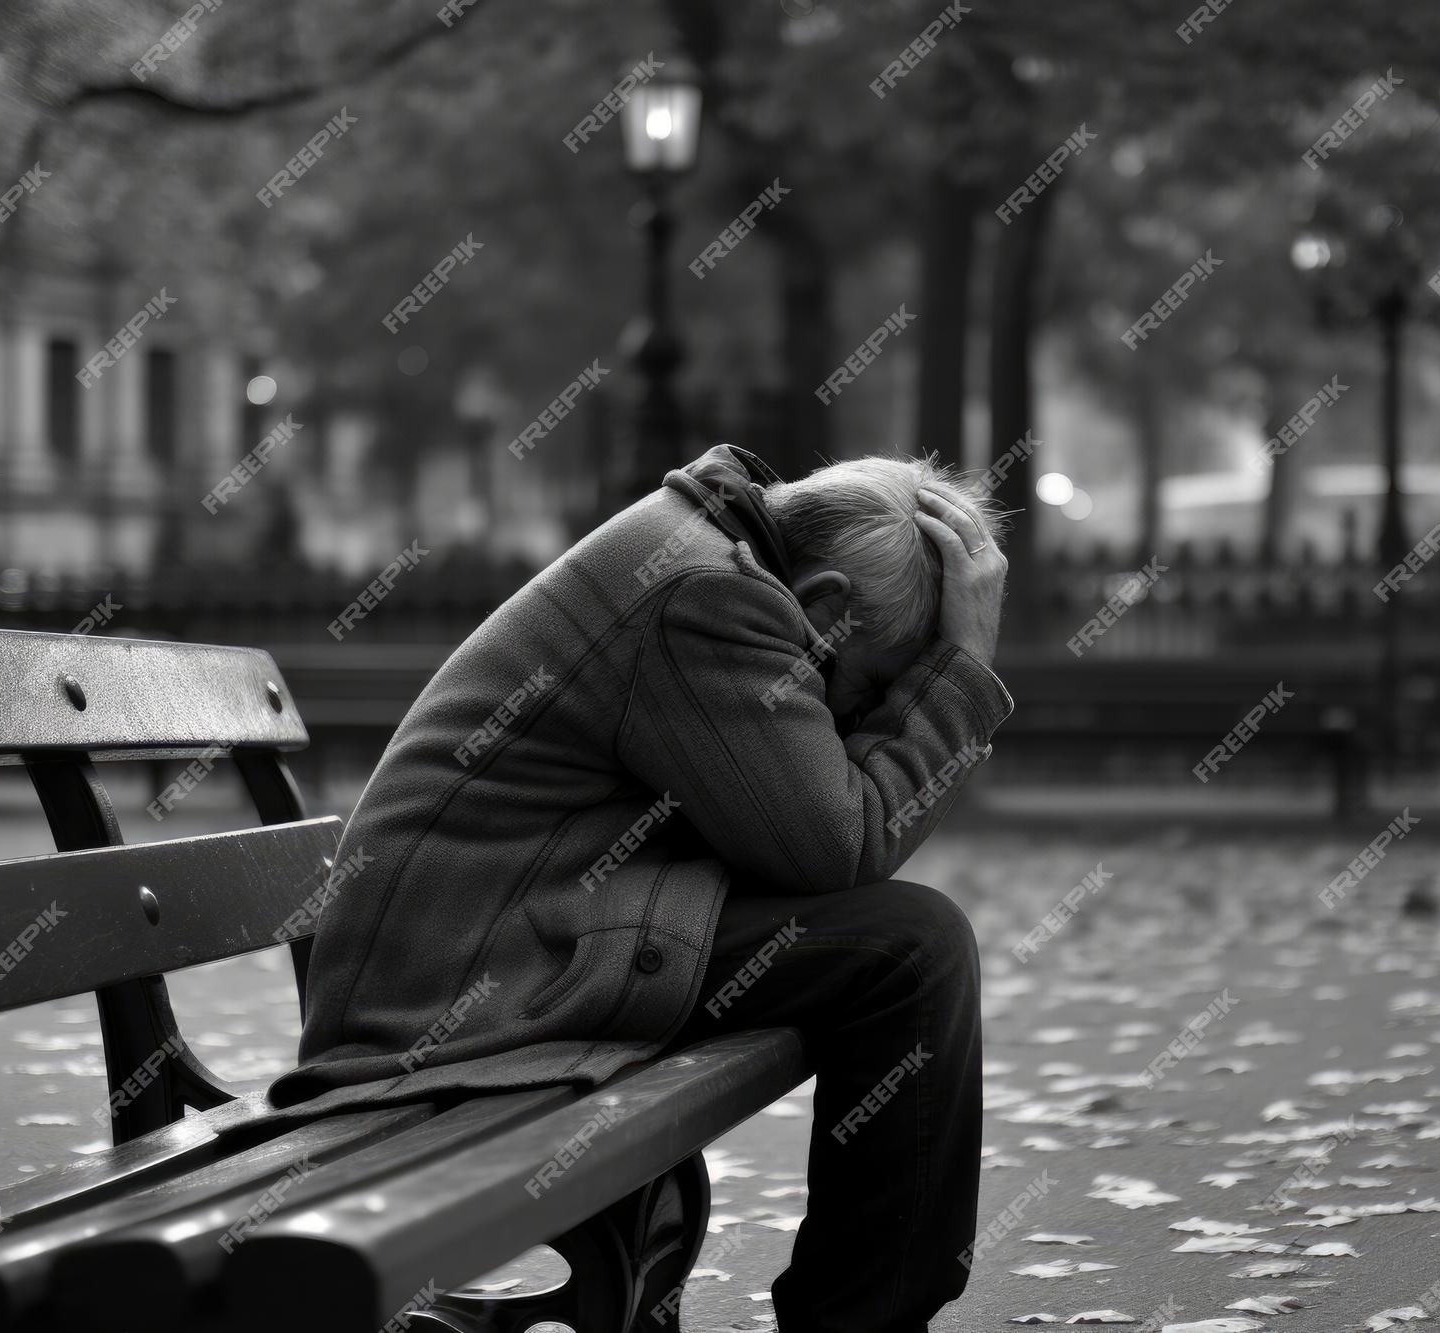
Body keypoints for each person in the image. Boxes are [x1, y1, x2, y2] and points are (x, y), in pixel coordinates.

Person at [269, 444, 1011, 1331]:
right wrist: (961, 673)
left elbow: (808, 839)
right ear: (827, 609)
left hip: (515, 942)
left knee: (901, 945)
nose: (854, 721)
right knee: (909, 951)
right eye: (873, 690)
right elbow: (841, 842)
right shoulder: (707, 598)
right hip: (455, 992)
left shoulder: (709, 557)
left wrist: (919, 680)